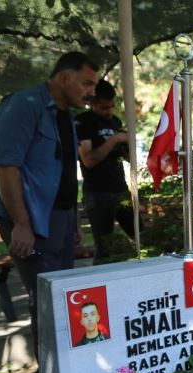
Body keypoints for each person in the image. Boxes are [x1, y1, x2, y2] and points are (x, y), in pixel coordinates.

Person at [0, 51, 99, 346]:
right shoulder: (24, 105)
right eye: (86, 84)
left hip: (62, 220)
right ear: (63, 78)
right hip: (33, 221)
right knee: (48, 305)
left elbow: (66, 170)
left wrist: (75, 219)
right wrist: (21, 223)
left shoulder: (65, 115)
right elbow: (6, 166)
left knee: (65, 301)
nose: (92, 93)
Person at [76, 79, 139, 263]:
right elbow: (88, 160)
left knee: (140, 233)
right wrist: (113, 140)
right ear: (92, 103)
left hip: (120, 187)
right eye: (104, 107)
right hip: (98, 192)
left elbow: (125, 156)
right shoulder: (83, 122)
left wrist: (126, 143)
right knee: (104, 246)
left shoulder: (115, 121)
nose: (109, 111)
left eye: (112, 106)